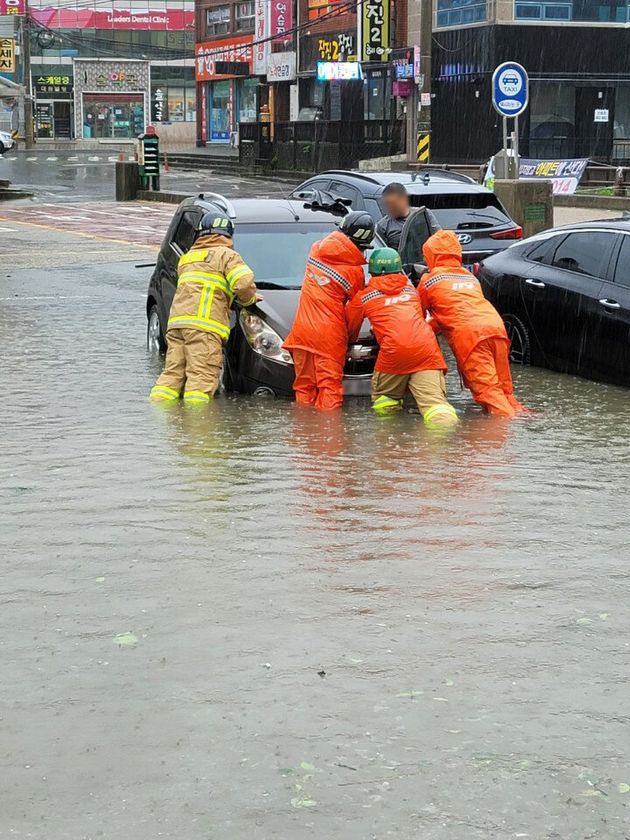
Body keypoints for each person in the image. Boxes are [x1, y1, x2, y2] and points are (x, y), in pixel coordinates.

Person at [150, 212, 256, 404]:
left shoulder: (188, 258)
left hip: (177, 326)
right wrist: (249, 301)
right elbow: (243, 284)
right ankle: (198, 428)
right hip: (204, 329)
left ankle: (159, 419)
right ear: (228, 234)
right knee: (201, 380)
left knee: (171, 377)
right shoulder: (227, 256)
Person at [346, 248, 459, 428]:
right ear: (398, 268)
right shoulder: (411, 290)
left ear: (373, 271)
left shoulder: (364, 296)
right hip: (427, 351)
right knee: (437, 407)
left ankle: (390, 442)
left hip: (393, 354)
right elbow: (414, 317)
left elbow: (351, 328)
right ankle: (444, 446)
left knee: (385, 401)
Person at [419, 229, 524, 417]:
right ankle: (523, 417)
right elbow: (456, 309)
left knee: (488, 391)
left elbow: (417, 318)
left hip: (471, 336)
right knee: (504, 389)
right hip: (496, 328)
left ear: (431, 255)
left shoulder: (429, 280)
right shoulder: (470, 277)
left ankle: (506, 437)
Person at [283, 211, 374, 411]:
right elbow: (355, 311)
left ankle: (304, 434)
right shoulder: (355, 273)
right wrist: (349, 338)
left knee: (304, 386)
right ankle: (327, 438)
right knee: (329, 389)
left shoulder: (315, 250)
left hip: (302, 332)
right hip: (329, 338)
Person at [375, 182, 411, 250]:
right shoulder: (383, 227)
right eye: (387, 204)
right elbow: (383, 253)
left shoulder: (422, 215)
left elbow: (435, 240)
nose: (390, 208)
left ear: (404, 200)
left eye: (393, 204)